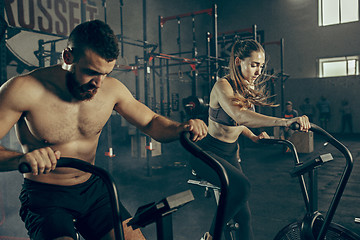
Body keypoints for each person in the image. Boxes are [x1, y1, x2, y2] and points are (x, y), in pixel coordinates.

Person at [0, 20, 207, 240]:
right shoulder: (22, 89)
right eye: (91, 72)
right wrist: (22, 159)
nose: (98, 84)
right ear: (68, 57)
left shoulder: (111, 90)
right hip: (46, 197)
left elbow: (151, 122)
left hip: (94, 189)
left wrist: (180, 127)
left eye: (105, 73)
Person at [191, 39, 310, 240]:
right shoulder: (222, 85)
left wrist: (253, 137)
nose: (258, 71)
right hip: (207, 153)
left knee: (244, 217)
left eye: (261, 66)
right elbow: (239, 116)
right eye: (254, 65)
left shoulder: (245, 88)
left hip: (230, 154)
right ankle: (210, 237)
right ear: (238, 61)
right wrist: (284, 122)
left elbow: (239, 124)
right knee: (242, 187)